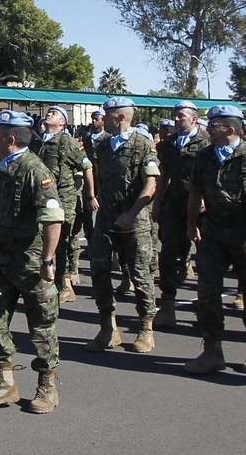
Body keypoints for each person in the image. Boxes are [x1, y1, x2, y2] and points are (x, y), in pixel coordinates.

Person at [0, 110, 66, 414]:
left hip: (30, 259)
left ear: (10, 139)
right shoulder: (2, 163)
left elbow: (53, 217)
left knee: (41, 324)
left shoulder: (35, 170)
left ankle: (47, 387)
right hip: (0, 256)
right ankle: (5, 383)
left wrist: (48, 260)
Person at [185, 104, 246, 376]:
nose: (208, 129)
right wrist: (191, 225)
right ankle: (212, 351)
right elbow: (194, 193)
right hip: (214, 233)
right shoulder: (204, 156)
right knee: (208, 293)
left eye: (213, 125)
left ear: (229, 129)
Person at [87, 96, 159, 353]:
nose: (100, 119)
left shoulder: (143, 144)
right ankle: (108, 328)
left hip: (134, 219)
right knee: (99, 270)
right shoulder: (102, 145)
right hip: (107, 217)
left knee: (140, 274)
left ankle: (146, 328)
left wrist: (132, 213)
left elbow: (151, 184)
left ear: (119, 117)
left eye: (105, 115)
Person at [152, 100, 207, 330]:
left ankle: (205, 304)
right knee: (167, 255)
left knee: (206, 257)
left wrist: (205, 197)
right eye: (175, 115)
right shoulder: (168, 144)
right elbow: (164, 175)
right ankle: (167, 306)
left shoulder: (207, 141)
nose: (176, 119)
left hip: (203, 208)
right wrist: (157, 202)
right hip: (174, 205)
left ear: (194, 118)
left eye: (181, 115)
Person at [31, 106, 89, 302]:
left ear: (63, 122)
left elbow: (86, 166)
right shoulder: (37, 141)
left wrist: (90, 195)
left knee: (60, 241)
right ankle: (46, 280)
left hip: (62, 198)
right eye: (48, 112)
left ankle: (64, 284)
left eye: (54, 113)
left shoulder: (67, 141)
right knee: (40, 239)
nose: (49, 114)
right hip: (41, 197)